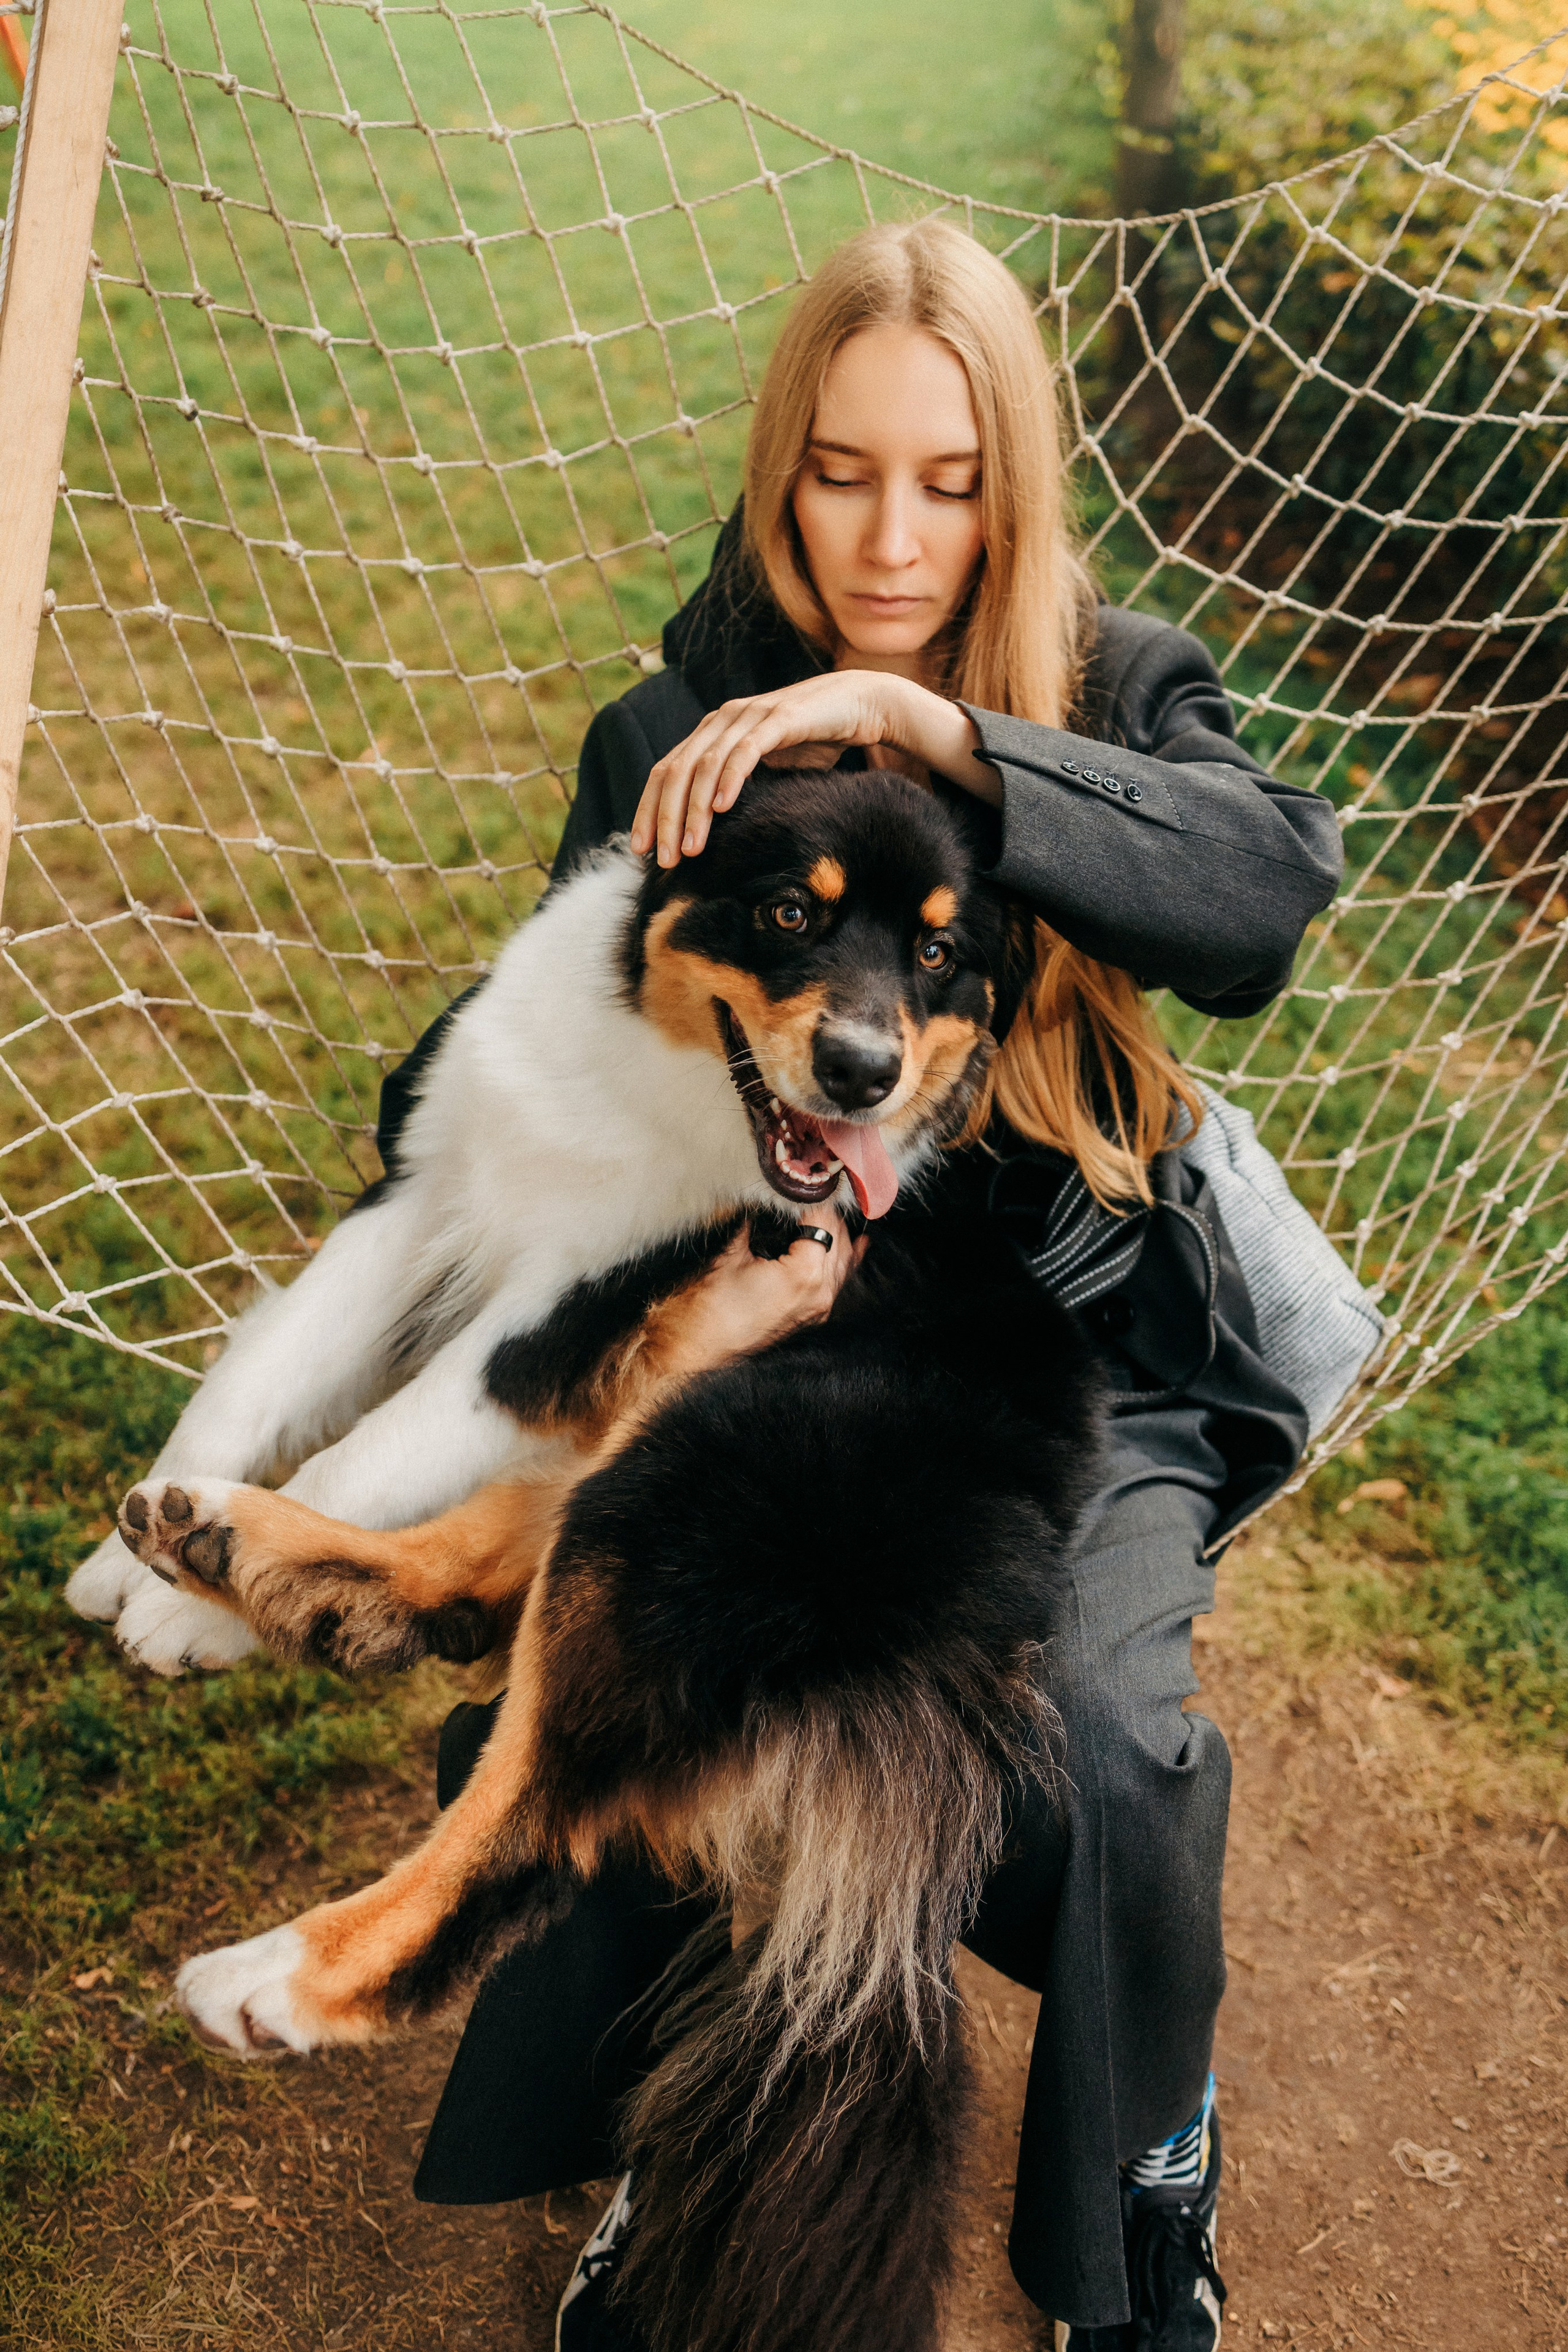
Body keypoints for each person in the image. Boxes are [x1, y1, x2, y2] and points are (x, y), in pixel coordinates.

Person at [383, 218, 1344, 2349]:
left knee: (1095, 1739)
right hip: (792, 1328)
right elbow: (485, 1084)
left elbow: (1271, 888)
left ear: (1011, 479)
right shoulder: (674, 722)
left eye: (946, 477)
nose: (890, 534)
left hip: (1071, 1342)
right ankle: (683, 2129)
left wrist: (938, 726)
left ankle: (1140, 2155)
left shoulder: (1105, 681)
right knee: (697, 1654)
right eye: (840, 471)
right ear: (776, 467)